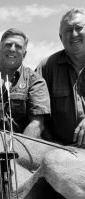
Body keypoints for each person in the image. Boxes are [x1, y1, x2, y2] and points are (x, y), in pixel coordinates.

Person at [0, 28, 50, 137]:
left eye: (18, 46)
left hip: (21, 149)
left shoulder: (35, 81)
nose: (12, 49)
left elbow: (37, 124)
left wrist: (16, 151)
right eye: (8, 45)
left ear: (24, 54)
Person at [36, 8, 85, 147]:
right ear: (60, 37)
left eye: (79, 28)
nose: (74, 34)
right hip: (61, 154)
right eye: (68, 30)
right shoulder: (46, 67)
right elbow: (35, 113)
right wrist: (53, 146)